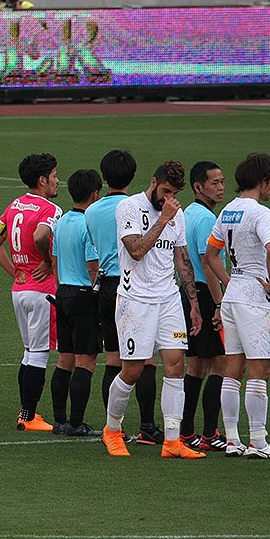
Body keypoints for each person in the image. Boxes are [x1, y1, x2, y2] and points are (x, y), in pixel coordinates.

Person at [102, 161, 205, 459]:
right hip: (135, 300)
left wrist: (193, 303)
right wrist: (163, 219)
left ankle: (172, 441)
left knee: (175, 365)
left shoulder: (177, 213)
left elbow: (181, 258)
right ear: (153, 182)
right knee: (133, 370)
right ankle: (112, 430)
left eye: (174, 194)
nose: (169, 199)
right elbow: (135, 250)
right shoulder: (129, 208)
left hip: (168, 298)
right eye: (165, 191)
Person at [205, 153, 270, 459]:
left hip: (233, 297)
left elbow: (211, 254)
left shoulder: (227, 210)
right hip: (254, 298)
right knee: (259, 370)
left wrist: (230, 281)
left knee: (233, 369)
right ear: (263, 180)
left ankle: (232, 440)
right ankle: (258, 442)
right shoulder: (260, 213)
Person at [84, 149, 161, 444]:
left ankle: (113, 427)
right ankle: (148, 426)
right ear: (133, 176)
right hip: (136, 285)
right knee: (147, 360)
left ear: (103, 177)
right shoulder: (136, 207)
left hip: (106, 286)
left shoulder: (92, 211)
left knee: (114, 359)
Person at [0, 154, 61, 432]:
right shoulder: (51, 209)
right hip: (42, 291)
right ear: (42, 180)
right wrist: (47, 261)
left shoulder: (14, 206)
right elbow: (41, 235)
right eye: (54, 175)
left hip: (19, 290)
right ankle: (28, 417)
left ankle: (26, 412)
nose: (57, 180)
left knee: (29, 353)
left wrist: (16, 272)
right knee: (39, 354)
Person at [50, 168, 105, 437]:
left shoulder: (61, 222)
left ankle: (59, 420)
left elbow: (55, 260)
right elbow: (93, 266)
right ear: (94, 194)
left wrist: (61, 287)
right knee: (86, 361)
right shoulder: (88, 224)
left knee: (65, 360)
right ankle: (76, 423)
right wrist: (97, 294)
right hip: (84, 295)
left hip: (63, 293)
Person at [178, 161, 228, 452]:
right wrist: (219, 303)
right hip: (206, 295)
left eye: (222, 182)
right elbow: (208, 262)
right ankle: (210, 433)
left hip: (188, 294)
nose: (221, 188)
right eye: (214, 183)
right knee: (220, 364)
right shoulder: (207, 219)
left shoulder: (187, 214)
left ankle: (186, 431)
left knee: (195, 365)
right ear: (198, 187)